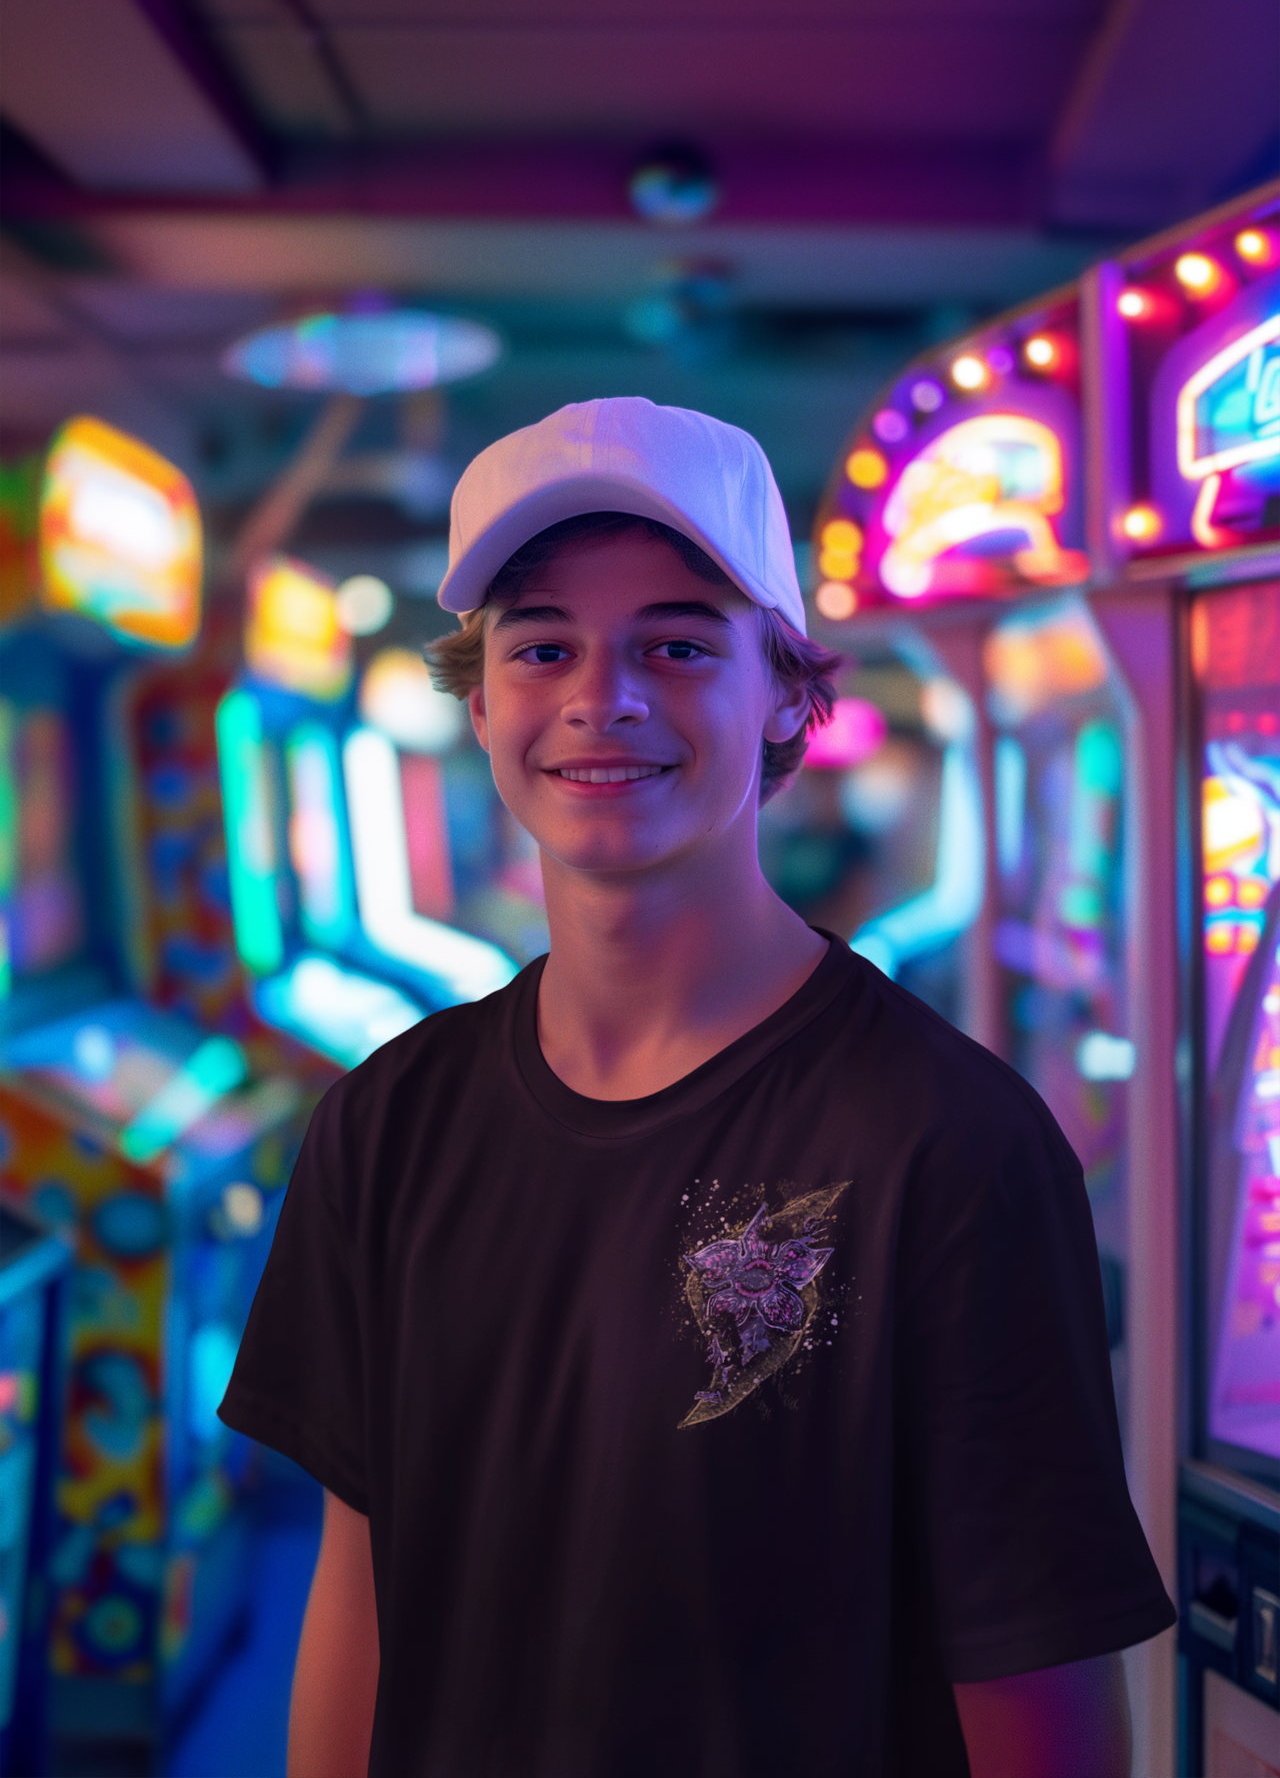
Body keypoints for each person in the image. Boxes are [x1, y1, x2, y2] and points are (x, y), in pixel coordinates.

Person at [219, 398, 1174, 1778]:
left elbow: (1040, 1694)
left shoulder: (947, 1143)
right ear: (480, 700)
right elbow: (360, 1597)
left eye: (675, 644)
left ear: (788, 692)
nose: (600, 698)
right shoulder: (383, 1120)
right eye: (543, 646)